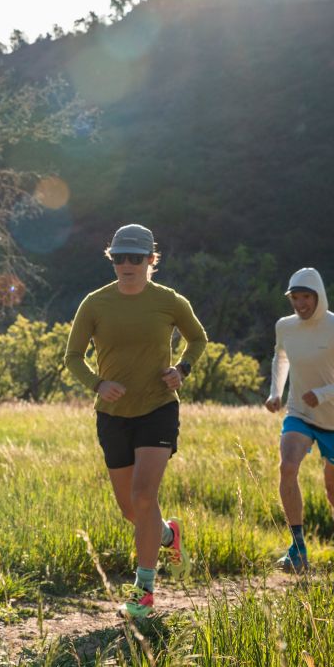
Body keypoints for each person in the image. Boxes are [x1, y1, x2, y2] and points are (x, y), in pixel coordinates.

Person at [64, 224, 208, 619]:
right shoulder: (95, 303)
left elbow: (198, 339)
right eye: (118, 258)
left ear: (150, 260)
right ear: (111, 260)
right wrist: (97, 383)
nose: (126, 265)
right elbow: (73, 356)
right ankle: (166, 534)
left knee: (145, 495)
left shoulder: (169, 301)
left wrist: (183, 369)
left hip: (158, 407)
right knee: (132, 510)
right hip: (113, 415)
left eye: (135, 258)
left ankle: (143, 589)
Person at [264, 267, 334, 574]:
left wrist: (323, 394)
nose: (300, 304)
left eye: (306, 297)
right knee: (287, 466)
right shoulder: (285, 326)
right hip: (299, 413)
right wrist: (275, 393)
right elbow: (280, 357)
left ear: (318, 296)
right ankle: (297, 548)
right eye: (295, 298)